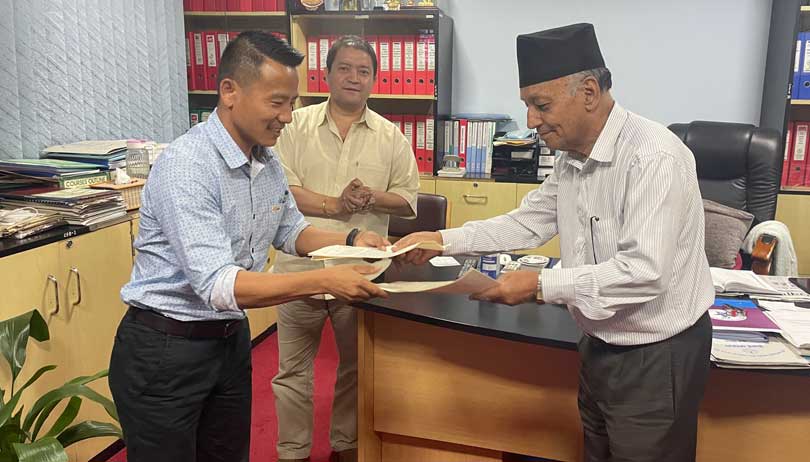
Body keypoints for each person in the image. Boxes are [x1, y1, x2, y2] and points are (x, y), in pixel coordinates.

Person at [394, 23, 714, 462]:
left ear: (588, 92)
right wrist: (442, 240)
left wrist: (540, 285)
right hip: (597, 343)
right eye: (527, 105)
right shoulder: (570, 159)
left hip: (655, 355)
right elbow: (527, 223)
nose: (530, 121)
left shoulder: (653, 156)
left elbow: (644, 272)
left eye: (540, 105)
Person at [109, 31, 390, 462]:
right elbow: (219, 284)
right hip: (166, 349)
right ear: (229, 92)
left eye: (292, 103)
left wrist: (352, 240)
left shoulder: (265, 160)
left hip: (227, 341)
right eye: (276, 102)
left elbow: (291, 230)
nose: (287, 117)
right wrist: (326, 280)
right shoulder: (188, 166)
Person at [271, 35, 420, 462]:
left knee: (356, 368)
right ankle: (293, 452)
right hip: (299, 269)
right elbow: (280, 189)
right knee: (292, 371)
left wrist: (373, 196)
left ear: (374, 79)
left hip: (359, 274)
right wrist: (334, 205)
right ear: (326, 74)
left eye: (363, 71)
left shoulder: (390, 136)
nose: (354, 78)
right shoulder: (293, 125)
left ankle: (346, 446)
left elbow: (408, 199)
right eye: (345, 68)